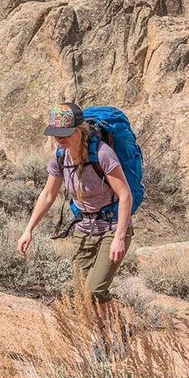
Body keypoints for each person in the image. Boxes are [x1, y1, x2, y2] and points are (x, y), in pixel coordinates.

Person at [17, 103, 133, 331]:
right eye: (56, 135)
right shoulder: (60, 157)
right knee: (83, 292)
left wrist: (120, 236)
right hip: (84, 230)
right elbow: (48, 194)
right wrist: (28, 229)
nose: (60, 139)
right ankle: (111, 332)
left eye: (65, 134)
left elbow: (125, 194)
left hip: (111, 228)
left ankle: (114, 329)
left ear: (79, 129)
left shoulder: (102, 154)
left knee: (94, 290)